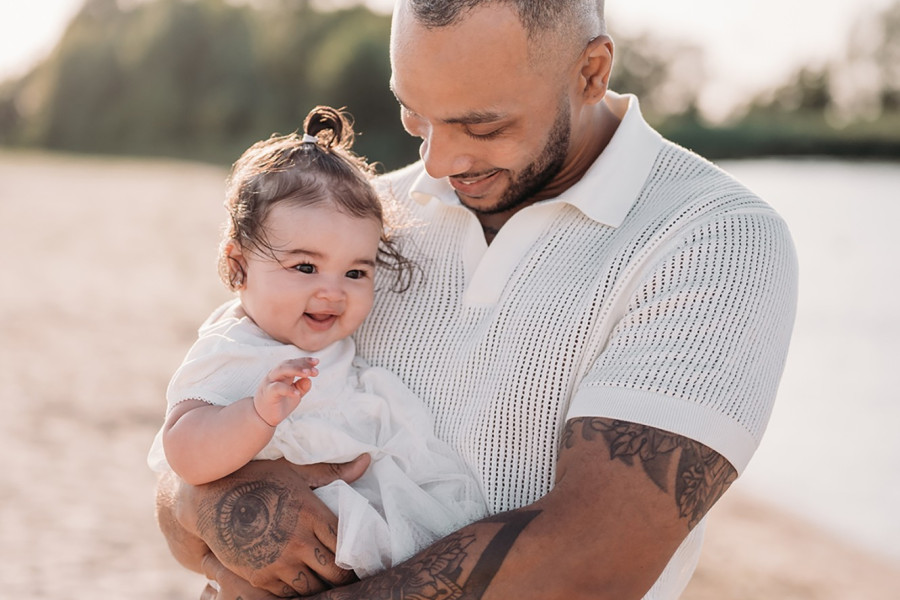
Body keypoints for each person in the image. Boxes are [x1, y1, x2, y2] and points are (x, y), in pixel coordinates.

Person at [156, 1, 799, 598]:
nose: (438, 163)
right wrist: (208, 501)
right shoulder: (362, 226)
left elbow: (595, 560)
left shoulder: (716, 239)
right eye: (416, 118)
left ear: (591, 71)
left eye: (481, 126)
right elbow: (185, 462)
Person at [148, 105, 487, 582]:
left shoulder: (330, 343)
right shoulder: (233, 348)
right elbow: (183, 451)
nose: (332, 290)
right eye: (305, 267)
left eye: (355, 272)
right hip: (284, 547)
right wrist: (256, 415)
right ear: (239, 265)